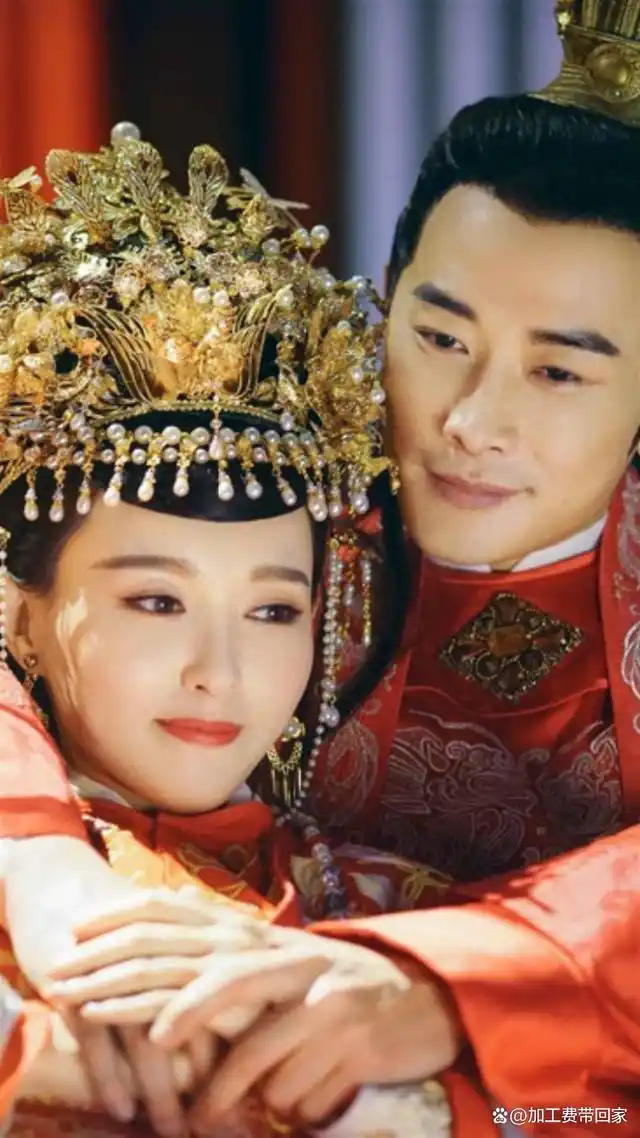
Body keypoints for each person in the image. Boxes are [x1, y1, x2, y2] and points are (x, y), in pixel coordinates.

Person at [5, 0, 640, 1134]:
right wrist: (40, 864)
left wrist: (445, 981)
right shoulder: (267, 465)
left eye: (558, 372)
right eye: (438, 338)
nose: (468, 423)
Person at [0, 127, 464, 1137]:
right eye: (155, 601)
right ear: (21, 617)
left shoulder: (404, 921)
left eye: (272, 611)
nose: (221, 673)